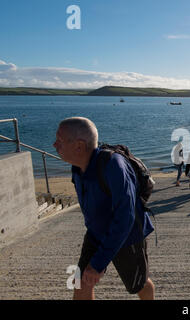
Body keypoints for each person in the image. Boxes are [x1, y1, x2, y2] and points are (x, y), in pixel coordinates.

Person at [53, 117, 155, 300]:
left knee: (139, 285)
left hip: (126, 236)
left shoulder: (114, 166)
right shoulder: (77, 168)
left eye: (59, 141)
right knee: (81, 281)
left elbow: (125, 218)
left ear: (79, 146)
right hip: (96, 232)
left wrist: (99, 263)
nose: (54, 145)